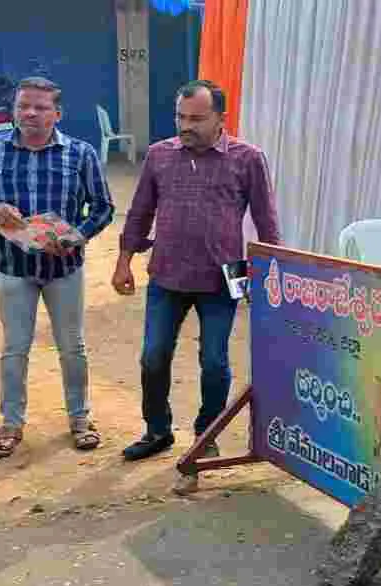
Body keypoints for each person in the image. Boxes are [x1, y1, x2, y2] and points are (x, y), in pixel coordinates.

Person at [113, 79, 281, 495]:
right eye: (181, 117)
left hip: (226, 276)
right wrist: (123, 261)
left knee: (215, 361)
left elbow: (267, 222)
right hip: (166, 273)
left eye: (197, 118)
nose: (186, 126)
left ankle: (207, 434)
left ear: (221, 117)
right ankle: (157, 430)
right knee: (153, 356)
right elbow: (140, 212)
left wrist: (270, 273)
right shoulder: (160, 155)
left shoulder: (248, 158)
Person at [0, 77, 115, 458]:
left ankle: (80, 419)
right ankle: (11, 424)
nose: (30, 113)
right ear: (13, 110)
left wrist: (77, 236)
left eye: (40, 107)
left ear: (57, 114)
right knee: (15, 347)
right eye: (23, 106)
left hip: (65, 268)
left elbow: (103, 207)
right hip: (12, 266)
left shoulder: (80, 154)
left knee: (72, 347)